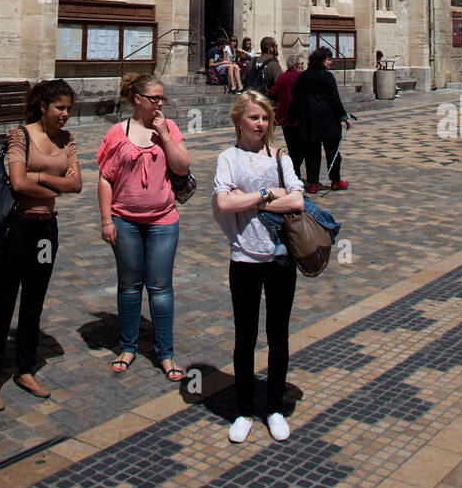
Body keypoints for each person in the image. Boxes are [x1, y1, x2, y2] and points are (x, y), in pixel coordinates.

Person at [0, 79, 82, 412]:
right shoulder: (20, 136)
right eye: (60, 108)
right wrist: (55, 186)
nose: (65, 114)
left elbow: (77, 185)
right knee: (3, 300)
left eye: (69, 109)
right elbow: (17, 182)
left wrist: (40, 179)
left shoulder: (67, 139)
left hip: (46, 229)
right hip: (17, 228)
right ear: (43, 106)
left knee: (35, 299)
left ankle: (25, 368)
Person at [213, 90, 305, 443]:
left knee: (278, 333)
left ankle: (275, 407)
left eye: (265, 117)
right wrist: (268, 194)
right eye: (254, 117)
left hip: (281, 257)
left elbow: (297, 200)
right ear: (238, 120)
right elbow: (223, 204)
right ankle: (244, 410)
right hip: (244, 257)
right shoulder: (228, 158)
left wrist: (249, 200)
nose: (261, 124)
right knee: (245, 335)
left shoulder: (280, 157)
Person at [97, 73, 191, 380]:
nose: (160, 103)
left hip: (163, 220)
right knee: (129, 286)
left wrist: (164, 134)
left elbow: (182, 167)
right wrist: (107, 220)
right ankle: (128, 346)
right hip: (124, 221)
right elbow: (105, 178)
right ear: (137, 100)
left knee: (161, 288)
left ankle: (166, 353)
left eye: (163, 98)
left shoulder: (169, 127)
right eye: (155, 98)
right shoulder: (118, 132)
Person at [291, 46, 352, 192]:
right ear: (322, 60)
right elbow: (335, 99)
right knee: (333, 152)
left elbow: (296, 96)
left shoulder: (303, 76)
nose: (331, 62)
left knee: (312, 152)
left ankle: (313, 183)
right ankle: (335, 180)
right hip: (328, 119)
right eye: (329, 59)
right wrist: (344, 117)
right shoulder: (327, 77)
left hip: (309, 119)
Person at [270, 53, 306, 177]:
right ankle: (293, 172)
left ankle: (293, 173)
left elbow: (272, 92)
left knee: (292, 146)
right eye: (301, 64)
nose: (303, 67)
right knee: (301, 148)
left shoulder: (282, 77)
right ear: (296, 65)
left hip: (284, 118)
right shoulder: (300, 77)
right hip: (298, 118)